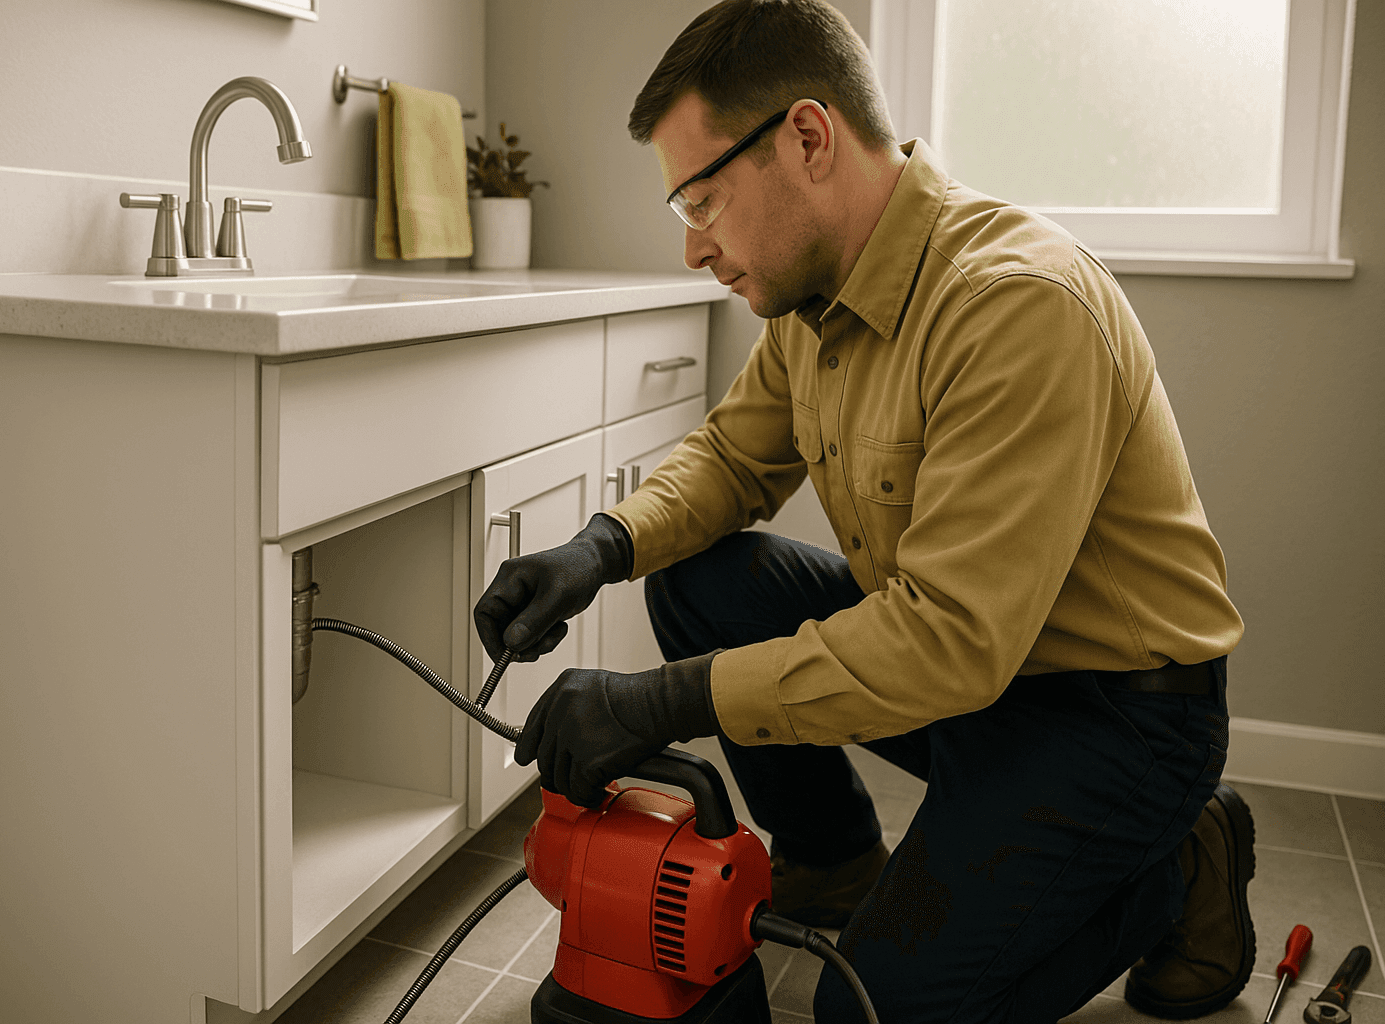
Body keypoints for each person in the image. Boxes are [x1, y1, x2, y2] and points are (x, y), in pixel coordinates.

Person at [473, 1, 1252, 1020]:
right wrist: (599, 547)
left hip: (1113, 717)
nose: (693, 249)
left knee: (863, 1010)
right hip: (977, 682)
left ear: (807, 137)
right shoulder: (819, 291)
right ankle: (835, 864)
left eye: (702, 199)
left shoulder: (1019, 304)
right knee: (704, 577)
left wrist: (660, 702)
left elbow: (945, 642)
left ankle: (1176, 866)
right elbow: (729, 458)